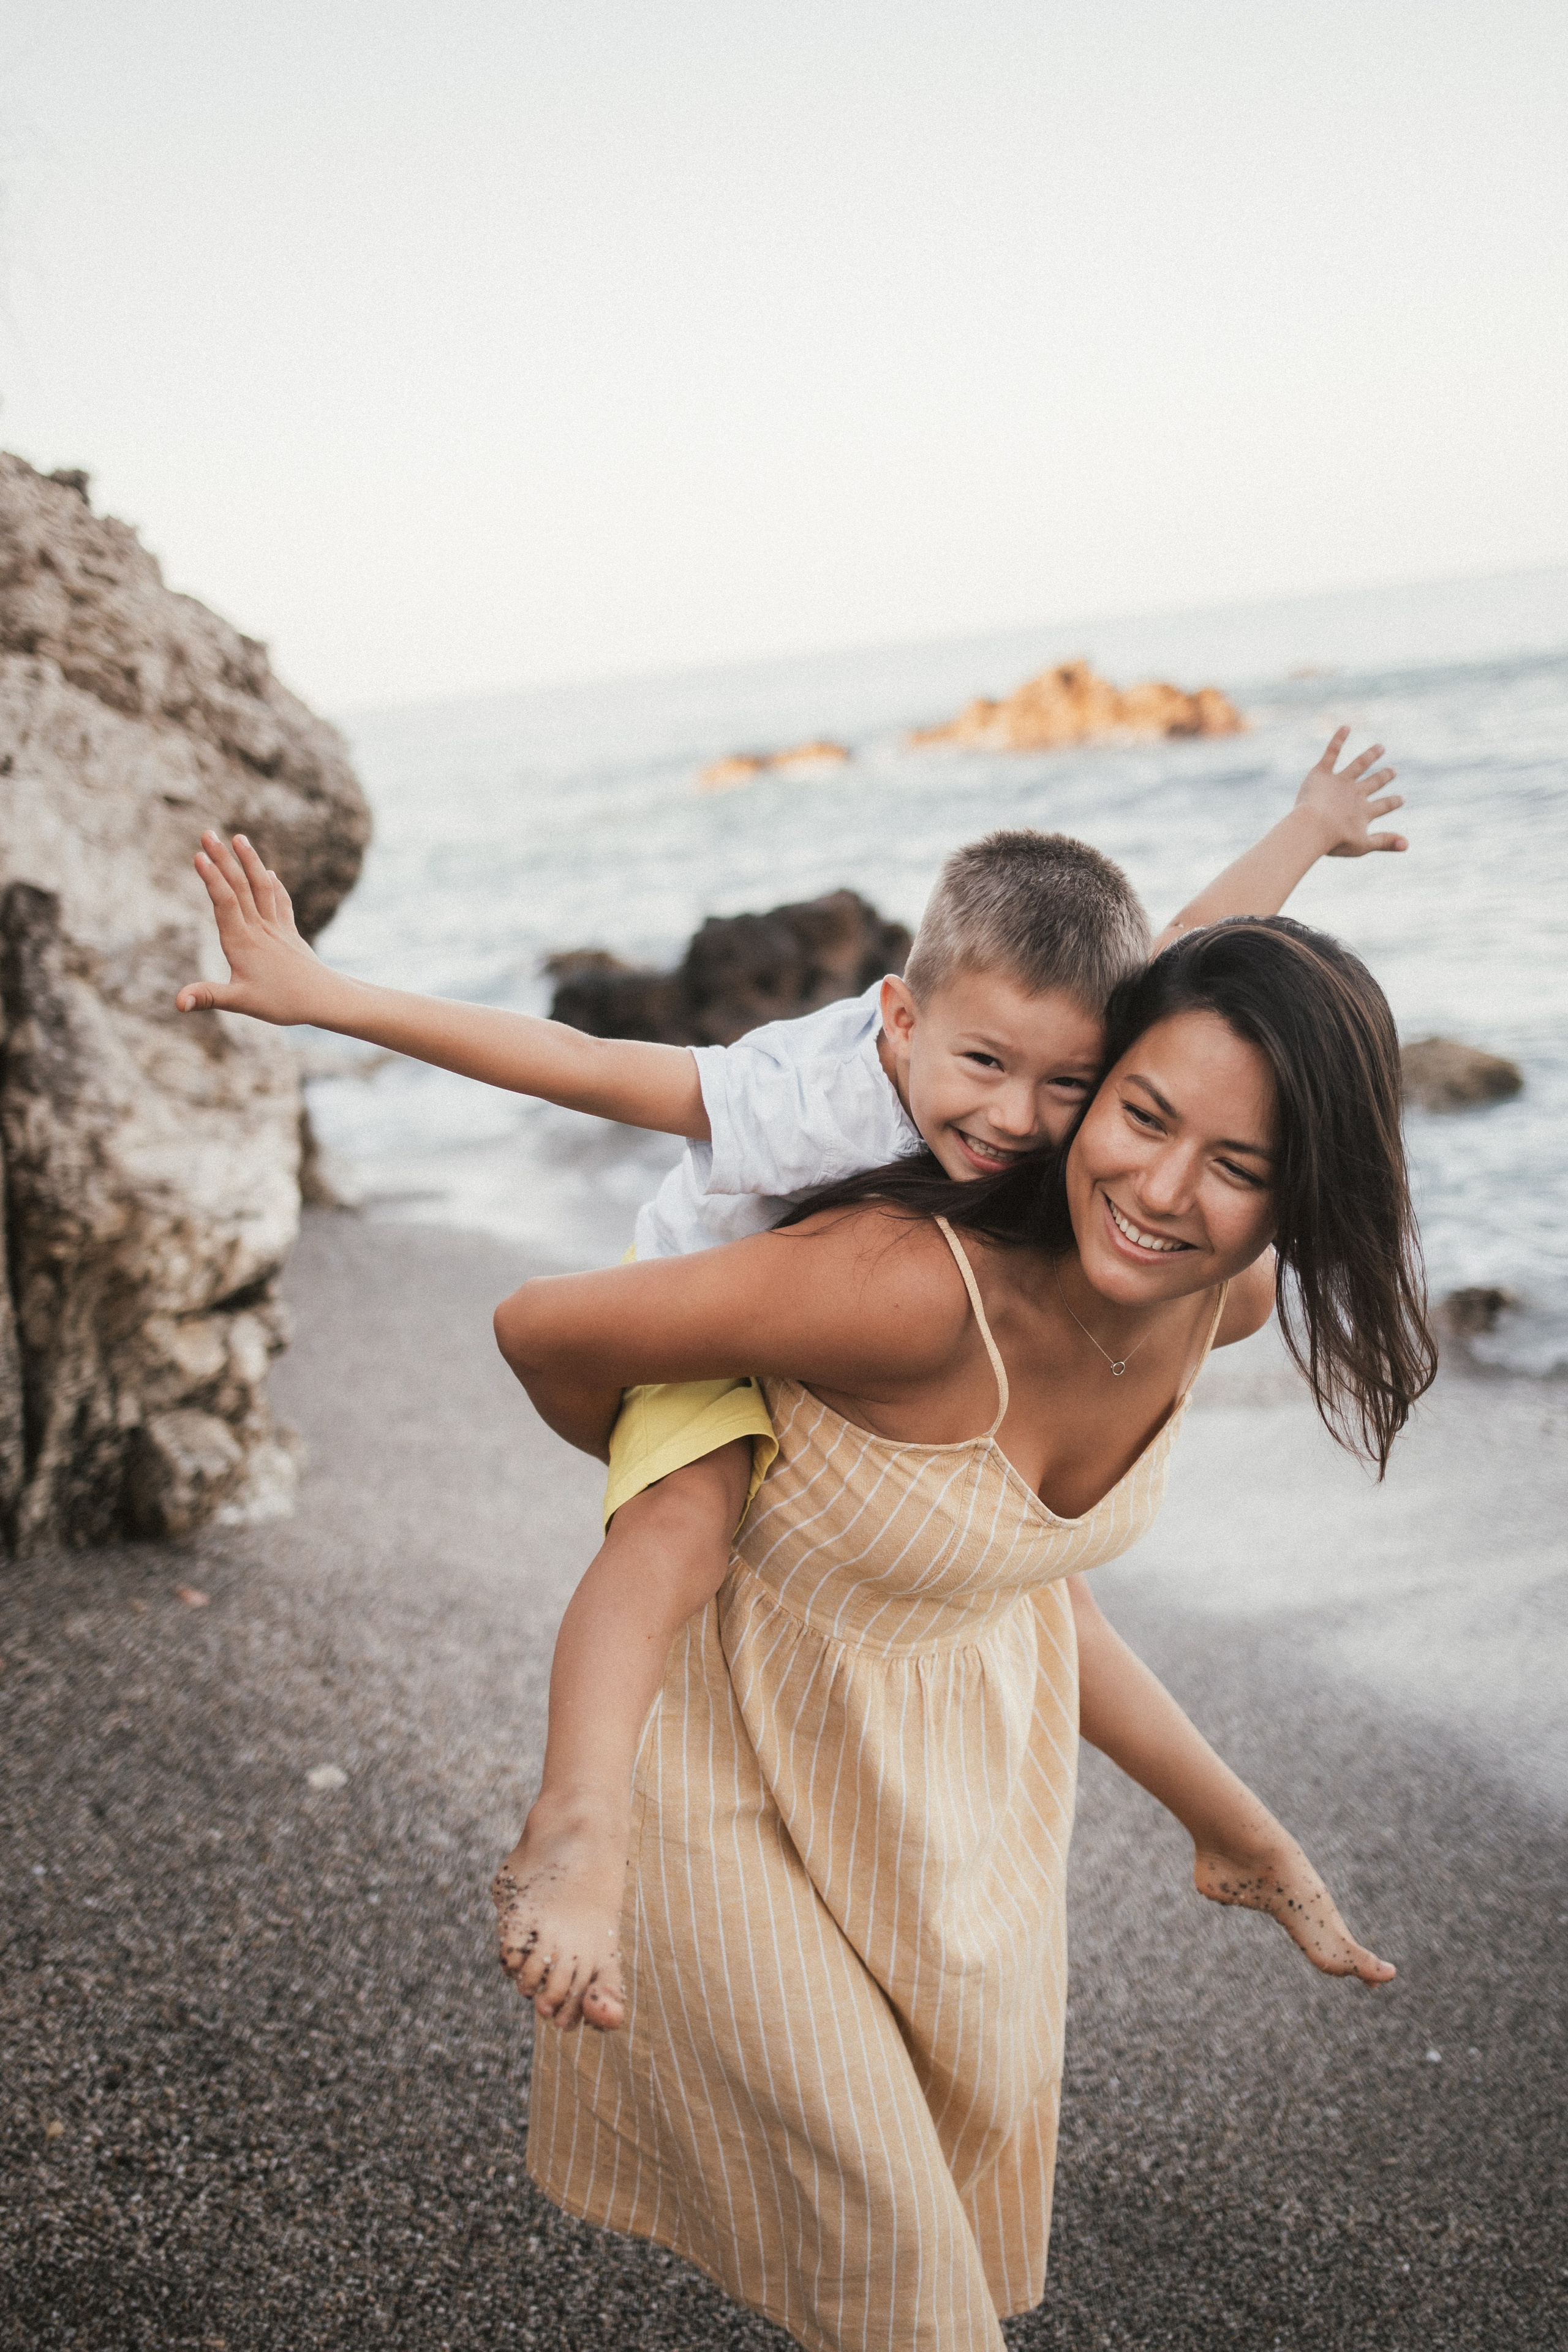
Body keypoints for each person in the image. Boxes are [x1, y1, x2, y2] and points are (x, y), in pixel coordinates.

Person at [175, 733, 1404, 2035]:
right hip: (716, 1325)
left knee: (996, 1542)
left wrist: (1304, 829)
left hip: (866, 1382)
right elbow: (587, 1064)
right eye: (980, 1068)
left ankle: (1227, 1833)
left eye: (1072, 1087)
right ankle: (577, 1822)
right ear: (900, 1017)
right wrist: (329, 998)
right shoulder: (807, 1105)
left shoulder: (1076, 1079)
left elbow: (1195, 959)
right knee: (676, 1531)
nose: (1014, 1119)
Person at [491, 917, 1436, 2352]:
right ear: (1089, 1086)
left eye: (1237, 1166)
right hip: (715, 1770)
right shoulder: (900, 1286)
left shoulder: (1215, 1305)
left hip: (949, 1800)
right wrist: (680, 1472)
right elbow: (542, 1327)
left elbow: (1022, 1579)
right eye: (1140, 1116)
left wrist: (1235, 1826)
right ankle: (576, 1826)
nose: (1162, 1192)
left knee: (915, 2236)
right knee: (904, 2283)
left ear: (1302, 1189)